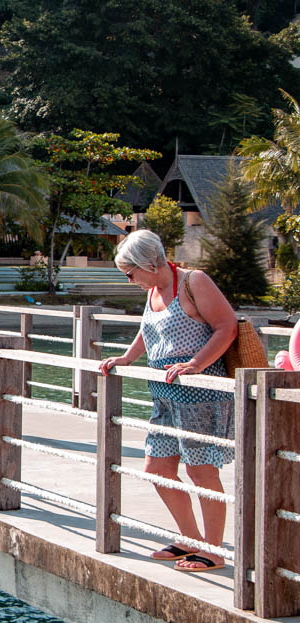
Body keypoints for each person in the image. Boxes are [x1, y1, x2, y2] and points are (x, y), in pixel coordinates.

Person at [99, 229, 237, 573]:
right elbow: (149, 330)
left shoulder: (194, 282)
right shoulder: (153, 290)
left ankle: (214, 551)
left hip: (200, 395)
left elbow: (227, 326)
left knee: (201, 472)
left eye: (130, 273)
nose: (129, 280)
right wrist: (127, 358)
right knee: (158, 470)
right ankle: (190, 539)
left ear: (148, 264)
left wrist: (196, 364)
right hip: (164, 395)